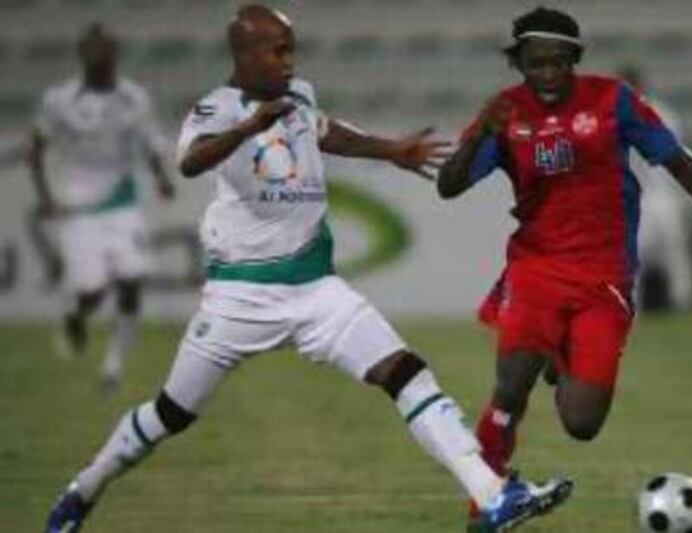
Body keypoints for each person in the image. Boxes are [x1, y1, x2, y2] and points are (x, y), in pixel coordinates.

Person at [45, 6, 572, 532]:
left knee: (405, 372)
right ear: (245, 53)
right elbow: (191, 160)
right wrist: (250, 127)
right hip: (239, 298)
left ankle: (494, 496)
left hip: (317, 292)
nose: (289, 60)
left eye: (291, 48)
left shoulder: (298, 95)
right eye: (278, 50)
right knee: (170, 414)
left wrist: (391, 150)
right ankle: (83, 490)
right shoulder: (215, 109)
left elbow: (324, 131)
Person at [437, 6, 692, 525]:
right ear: (518, 62)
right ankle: (485, 503)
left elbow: (679, 162)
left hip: (604, 278)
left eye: (556, 62)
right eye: (534, 63)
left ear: (574, 58)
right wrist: (482, 131)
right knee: (510, 385)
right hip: (537, 270)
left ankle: (564, 355)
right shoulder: (505, 113)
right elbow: (449, 186)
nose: (546, 73)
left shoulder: (614, 101)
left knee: (582, 422)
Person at [28, 24, 175, 390]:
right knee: (92, 291)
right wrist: (44, 195)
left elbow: (150, 143)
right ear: (82, 55)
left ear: (115, 54)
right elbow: (36, 149)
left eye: (106, 50)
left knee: (132, 282)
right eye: (92, 50)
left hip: (122, 205)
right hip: (77, 208)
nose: (100, 57)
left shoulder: (134, 99)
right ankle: (77, 315)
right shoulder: (59, 99)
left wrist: (161, 178)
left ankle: (112, 367)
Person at [618, 64, 692, 311]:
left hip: (664, 192)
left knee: (676, 253)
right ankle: (633, 306)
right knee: (634, 253)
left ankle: (683, 301)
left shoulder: (664, 115)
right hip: (636, 195)